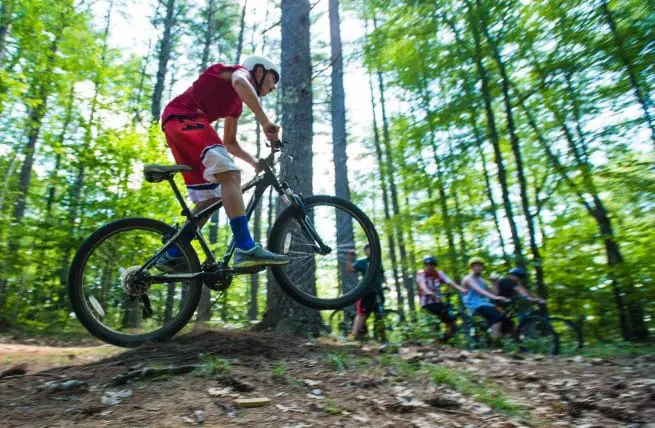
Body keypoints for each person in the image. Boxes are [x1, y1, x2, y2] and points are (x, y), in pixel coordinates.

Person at [156, 56, 289, 271]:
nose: (274, 87)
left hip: (181, 124)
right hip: (185, 117)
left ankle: (172, 254)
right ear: (258, 71)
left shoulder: (236, 105)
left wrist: (255, 163)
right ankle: (245, 247)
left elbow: (230, 143)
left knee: (211, 199)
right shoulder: (238, 73)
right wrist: (265, 122)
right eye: (273, 79)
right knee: (231, 175)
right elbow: (240, 82)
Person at [416, 256, 463, 342]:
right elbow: (422, 285)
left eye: (431, 265)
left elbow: (449, 281)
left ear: (435, 266)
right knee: (445, 312)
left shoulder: (439, 274)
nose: (429, 266)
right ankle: (447, 328)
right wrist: (429, 292)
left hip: (438, 302)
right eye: (427, 264)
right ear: (424, 265)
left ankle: (446, 336)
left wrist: (460, 289)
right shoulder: (421, 274)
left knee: (451, 311)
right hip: (427, 303)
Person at [461, 257, 510, 338]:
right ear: (471, 268)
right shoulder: (468, 279)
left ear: (483, 267)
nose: (478, 268)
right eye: (475, 266)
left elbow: (495, 292)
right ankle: (496, 342)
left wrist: (494, 282)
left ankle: (506, 339)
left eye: (480, 265)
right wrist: (495, 298)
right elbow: (479, 290)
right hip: (474, 305)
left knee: (505, 319)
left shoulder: (482, 280)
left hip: (485, 304)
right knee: (496, 318)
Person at [346, 243, 386, 341]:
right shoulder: (362, 262)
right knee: (361, 314)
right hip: (366, 293)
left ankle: (384, 339)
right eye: (368, 249)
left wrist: (386, 285)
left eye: (372, 248)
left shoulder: (378, 262)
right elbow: (350, 269)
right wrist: (349, 259)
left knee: (379, 315)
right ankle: (353, 335)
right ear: (365, 251)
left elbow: (382, 275)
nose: (370, 250)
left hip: (378, 293)